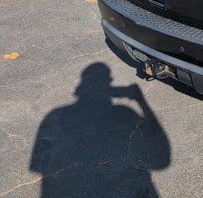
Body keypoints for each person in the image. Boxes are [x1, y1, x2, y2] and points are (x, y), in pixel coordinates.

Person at [30, 63, 171, 197]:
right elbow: (161, 161)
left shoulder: (54, 116)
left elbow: (41, 166)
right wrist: (141, 101)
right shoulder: (125, 113)